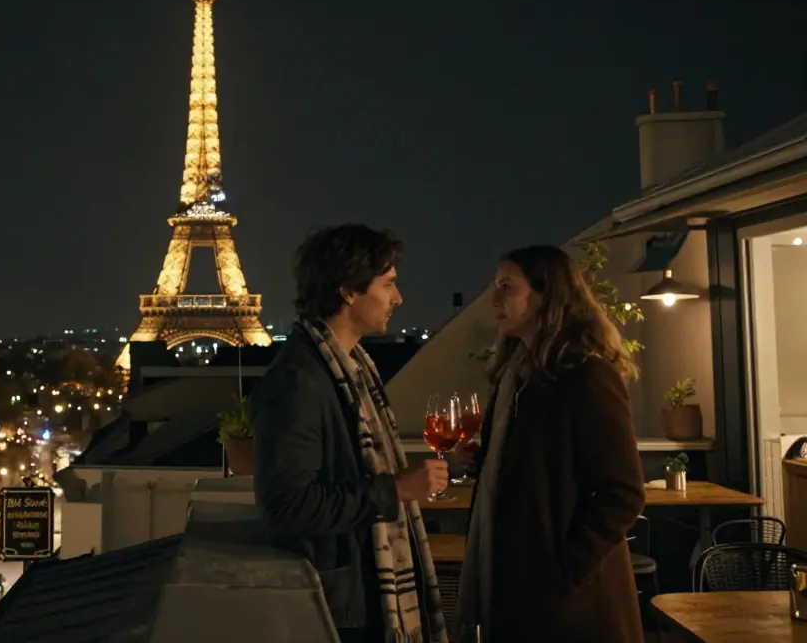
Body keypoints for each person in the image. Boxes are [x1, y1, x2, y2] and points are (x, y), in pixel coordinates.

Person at [251, 224, 450, 643]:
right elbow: (287, 506)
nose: (399, 298)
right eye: (389, 284)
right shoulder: (299, 381)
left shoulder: (348, 368)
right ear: (348, 291)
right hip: (341, 607)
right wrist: (393, 489)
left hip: (353, 594)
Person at [456, 245, 646, 642]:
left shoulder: (586, 375)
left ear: (546, 296)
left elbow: (623, 492)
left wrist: (565, 570)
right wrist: (489, 460)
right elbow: (540, 462)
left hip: (568, 604)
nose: (494, 299)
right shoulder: (517, 376)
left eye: (506, 287)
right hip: (518, 582)